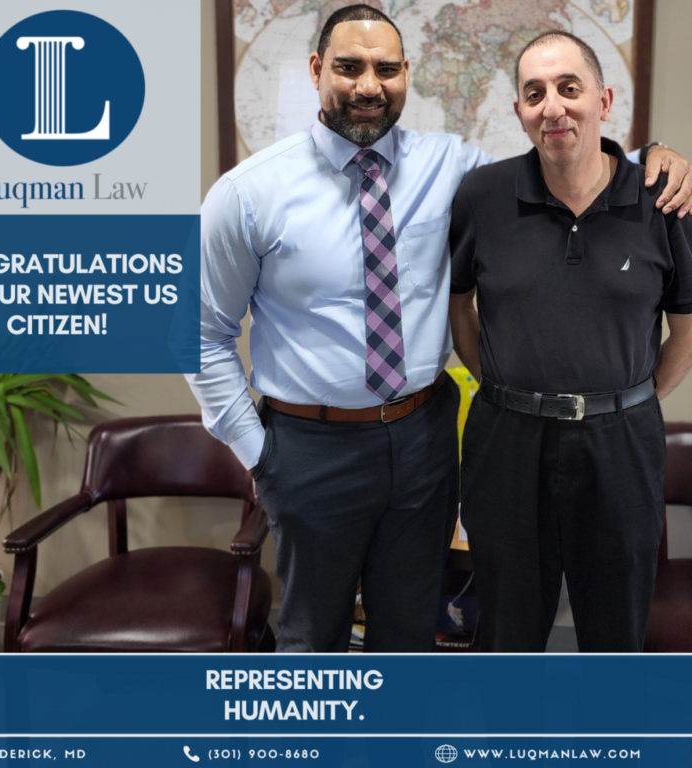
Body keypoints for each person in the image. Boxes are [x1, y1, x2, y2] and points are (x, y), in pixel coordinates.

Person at [188, 5, 692, 653]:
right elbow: (201, 337)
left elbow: (565, 152)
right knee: (312, 640)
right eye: (349, 67)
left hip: (424, 443)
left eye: (386, 69)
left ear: (406, 77)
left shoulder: (452, 168)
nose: (369, 84)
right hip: (311, 447)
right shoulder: (247, 193)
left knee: (409, 633)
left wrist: (655, 156)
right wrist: (260, 454)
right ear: (317, 71)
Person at [449, 31, 692, 652]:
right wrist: (510, 387)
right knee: (506, 633)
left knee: (615, 636)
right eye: (535, 94)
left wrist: (628, 397)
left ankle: (607, 750)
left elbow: (685, 330)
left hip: (621, 445)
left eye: (568, 88)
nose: (552, 106)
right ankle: (510, 750)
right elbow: (461, 310)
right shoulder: (482, 197)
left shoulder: (663, 199)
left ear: (603, 100)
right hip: (507, 441)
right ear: (520, 113)